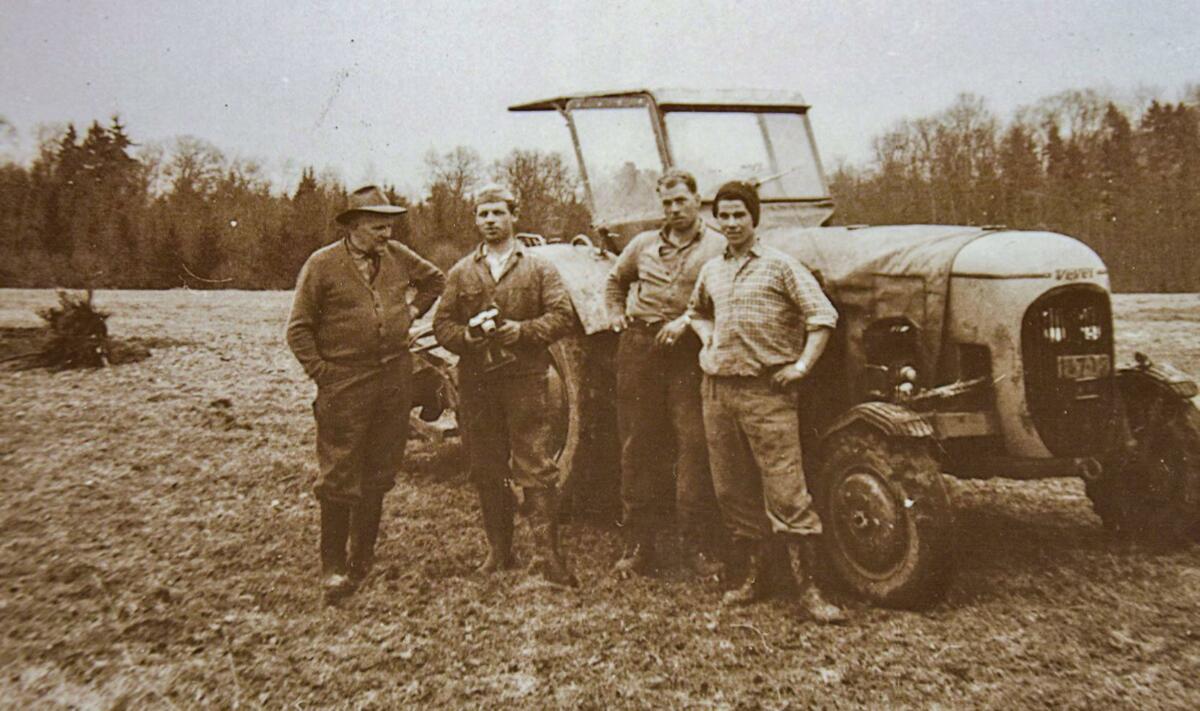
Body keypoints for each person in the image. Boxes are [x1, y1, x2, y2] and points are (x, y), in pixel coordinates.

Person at [686, 180, 846, 623]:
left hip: (767, 393)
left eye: (740, 214)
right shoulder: (712, 270)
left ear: (755, 219)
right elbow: (696, 310)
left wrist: (802, 367)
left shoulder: (781, 267)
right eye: (725, 215)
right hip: (717, 391)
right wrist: (707, 339)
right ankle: (753, 579)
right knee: (731, 488)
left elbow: (822, 316)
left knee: (786, 491)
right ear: (715, 221)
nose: (732, 223)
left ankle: (809, 590)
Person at [286, 185, 445, 604]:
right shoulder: (321, 265)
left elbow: (435, 280)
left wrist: (410, 312)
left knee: (380, 468)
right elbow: (298, 329)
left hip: (394, 377)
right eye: (378, 226)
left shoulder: (395, 256)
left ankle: (362, 556)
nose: (386, 233)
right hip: (346, 383)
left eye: (390, 225)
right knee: (340, 470)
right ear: (354, 225)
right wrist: (324, 375)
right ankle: (333, 567)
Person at [433, 184, 578, 587]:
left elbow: (561, 316)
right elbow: (441, 326)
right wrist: (468, 338)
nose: (491, 221)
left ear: (514, 216)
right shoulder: (462, 271)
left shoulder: (538, 268)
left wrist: (522, 331)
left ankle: (548, 557)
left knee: (534, 462)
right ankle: (499, 552)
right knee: (485, 466)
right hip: (478, 383)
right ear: (476, 220)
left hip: (525, 378)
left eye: (498, 213)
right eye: (483, 214)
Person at [603, 169, 727, 577]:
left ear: (698, 200)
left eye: (681, 201)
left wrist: (690, 323)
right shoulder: (642, 245)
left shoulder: (719, 246)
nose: (674, 210)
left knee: (694, 443)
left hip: (690, 354)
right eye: (667, 203)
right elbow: (615, 282)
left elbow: (725, 299)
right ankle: (640, 545)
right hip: (640, 349)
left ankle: (697, 546)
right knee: (638, 443)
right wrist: (616, 314)